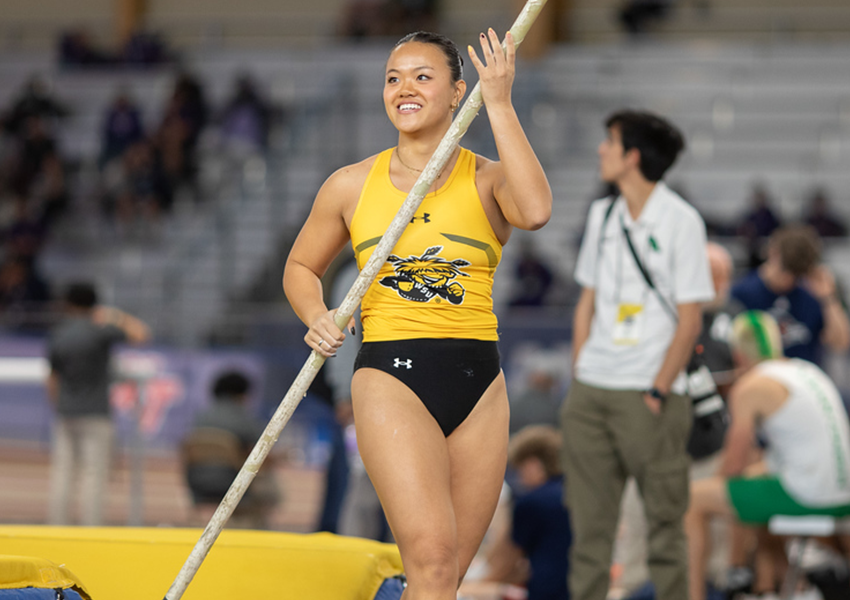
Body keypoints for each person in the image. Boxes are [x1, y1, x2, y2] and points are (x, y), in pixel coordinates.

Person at [283, 29, 552, 599]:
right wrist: (317, 313)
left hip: (480, 384)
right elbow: (301, 267)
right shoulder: (351, 185)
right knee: (429, 560)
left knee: (445, 576)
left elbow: (535, 210)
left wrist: (500, 102)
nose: (404, 88)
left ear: (459, 93)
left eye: (422, 77)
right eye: (393, 77)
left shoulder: (485, 178)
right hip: (390, 376)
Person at [561, 109, 714, 600]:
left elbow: (692, 317)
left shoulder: (681, 220)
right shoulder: (602, 214)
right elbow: (586, 300)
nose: (601, 150)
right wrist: (581, 370)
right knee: (589, 534)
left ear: (632, 156)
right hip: (593, 391)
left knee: (664, 530)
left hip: (648, 393)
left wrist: (657, 389)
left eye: (610, 142)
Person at [685, 310, 850, 600]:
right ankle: (791, 588)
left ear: (737, 354)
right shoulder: (807, 371)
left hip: (809, 494)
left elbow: (732, 468)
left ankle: (694, 594)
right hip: (841, 493)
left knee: (694, 500)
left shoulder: (751, 386)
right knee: (757, 495)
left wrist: (719, 487)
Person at [46, 281, 151, 525]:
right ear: (94, 304)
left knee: (62, 473)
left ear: (67, 304)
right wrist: (114, 315)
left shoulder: (58, 333)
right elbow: (142, 334)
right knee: (94, 474)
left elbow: (52, 377)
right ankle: (90, 527)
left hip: (66, 412)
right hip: (95, 413)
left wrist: (59, 405)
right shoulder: (98, 331)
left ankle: (56, 524)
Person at [730, 224, 850, 367]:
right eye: (785, 269)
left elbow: (840, 343)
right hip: (762, 380)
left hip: (803, 379)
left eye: (795, 273)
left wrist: (828, 298)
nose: (788, 278)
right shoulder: (742, 292)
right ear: (772, 253)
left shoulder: (811, 293)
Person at [184, 370, 281, 529]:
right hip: (234, 484)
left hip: (198, 484)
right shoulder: (244, 419)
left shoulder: (200, 417)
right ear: (242, 394)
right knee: (270, 487)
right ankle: (258, 534)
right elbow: (262, 454)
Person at [507, 425, 572, 600]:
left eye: (520, 470)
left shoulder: (532, 502)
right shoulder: (578, 494)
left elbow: (508, 558)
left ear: (532, 464)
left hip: (547, 591)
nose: (520, 478)